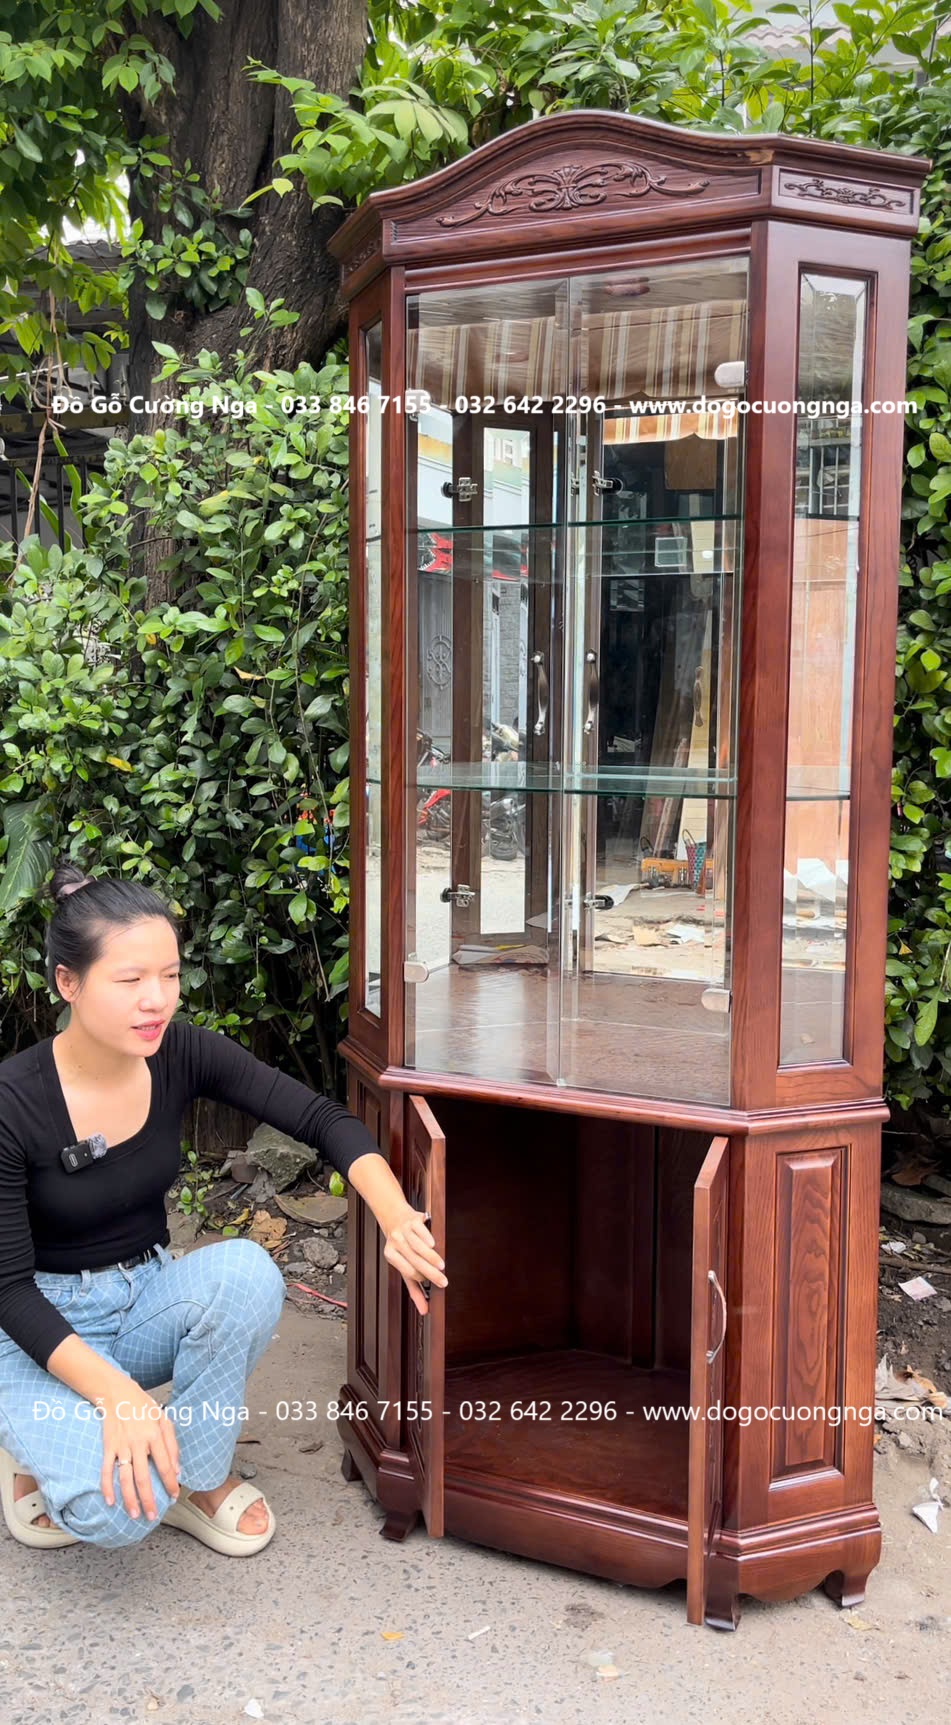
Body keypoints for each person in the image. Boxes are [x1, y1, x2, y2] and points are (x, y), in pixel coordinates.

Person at [0, 861, 447, 1557]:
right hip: (34, 1326)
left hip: (143, 1296)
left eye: (170, 975)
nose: (157, 1000)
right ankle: (32, 1443)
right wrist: (119, 1396)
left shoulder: (179, 1051)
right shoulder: (12, 1101)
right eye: (130, 980)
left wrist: (395, 1216)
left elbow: (323, 1118)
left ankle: (197, 1477)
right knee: (118, 1513)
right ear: (68, 982)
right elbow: (7, 1288)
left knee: (246, 1275)